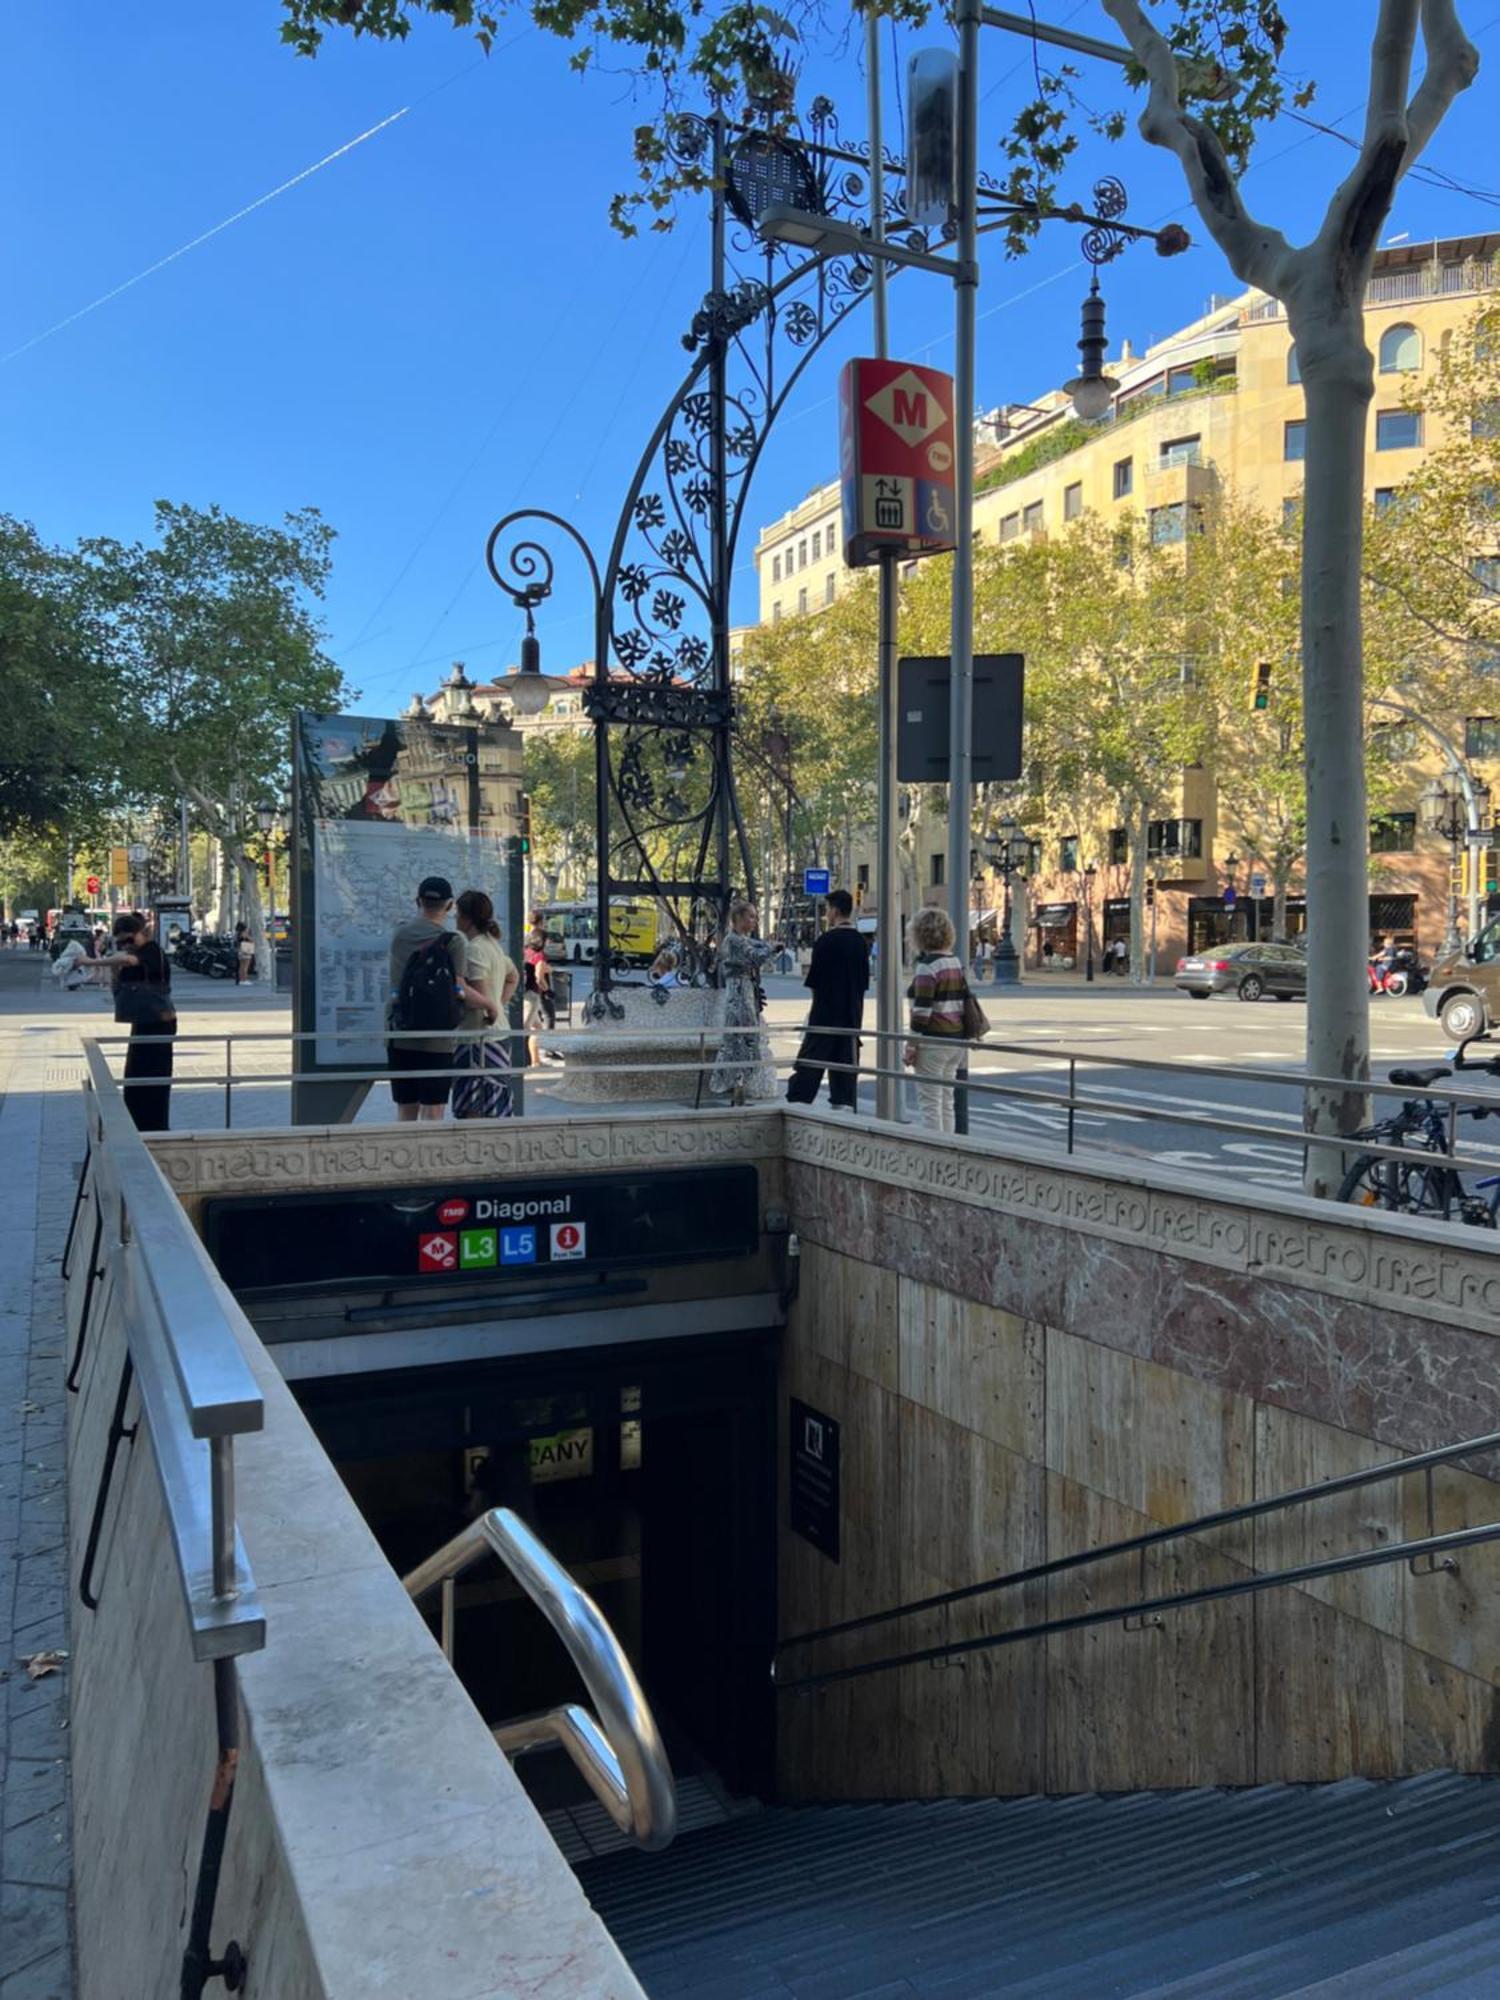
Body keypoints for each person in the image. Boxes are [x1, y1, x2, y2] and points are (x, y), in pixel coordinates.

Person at [386, 876, 490, 1123]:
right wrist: (489, 1004)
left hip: (400, 1032)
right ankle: (430, 1159)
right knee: (434, 1109)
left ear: (418, 901)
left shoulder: (399, 936)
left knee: (406, 1107)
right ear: (450, 905)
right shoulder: (453, 941)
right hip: (438, 1037)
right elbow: (460, 990)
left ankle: (406, 1159)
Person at [786, 889, 869, 1112]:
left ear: (834, 910)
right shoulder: (861, 943)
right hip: (851, 1018)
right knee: (844, 1080)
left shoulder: (825, 942)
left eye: (827, 910)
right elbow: (863, 984)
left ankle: (797, 1115)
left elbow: (816, 983)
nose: (826, 914)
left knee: (807, 1074)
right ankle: (843, 1116)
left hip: (824, 1017)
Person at [101, 912, 177, 1132]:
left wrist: (88, 961)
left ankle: (155, 1126)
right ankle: (137, 1124)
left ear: (140, 934)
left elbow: (127, 960)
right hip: (142, 1020)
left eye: (129, 939)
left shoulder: (152, 952)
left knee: (154, 1078)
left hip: (159, 1021)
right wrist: (114, 969)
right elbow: (118, 985)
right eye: (121, 941)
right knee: (135, 1077)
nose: (126, 945)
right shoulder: (131, 956)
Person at [450, 890, 518, 1120]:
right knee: (494, 1104)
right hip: (498, 1034)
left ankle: (475, 1153)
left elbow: (476, 994)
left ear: (467, 919)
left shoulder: (474, 948)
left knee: (475, 1106)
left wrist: (490, 1005)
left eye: (458, 914)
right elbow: (513, 976)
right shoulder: (492, 944)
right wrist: (498, 1003)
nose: (456, 919)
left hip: (478, 1038)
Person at [903, 905, 969, 1134]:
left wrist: (911, 1045)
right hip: (956, 1040)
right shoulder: (955, 962)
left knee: (930, 1104)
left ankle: (935, 1157)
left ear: (919, 935)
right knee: (946, 1101)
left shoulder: (927, 967)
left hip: (933, 1042)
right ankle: (949, 1150)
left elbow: (921, 1012)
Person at [710, 899, 779, 1101]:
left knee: (742, 1040)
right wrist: (771, 950)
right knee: (744, 1040)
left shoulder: (741, 939)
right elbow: (755, 957)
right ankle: (730, 1082)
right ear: (738, 918)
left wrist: (768, 947)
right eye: (751, 916)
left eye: (756, 917)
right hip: (739, 994)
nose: (755, 921)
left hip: (744, 991)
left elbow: (756, 947)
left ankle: (737, 1083)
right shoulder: (734, 941)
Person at [523, 928, 554, 1066]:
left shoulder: (526, 951)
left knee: (537, 1028)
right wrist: (547, 989)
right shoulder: (540, 956)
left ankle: (536, 1060)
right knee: (526, 1028)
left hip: (524, 992)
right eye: (547, 940)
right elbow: (539, 977)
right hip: (533, 995)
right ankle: (527, 1061)